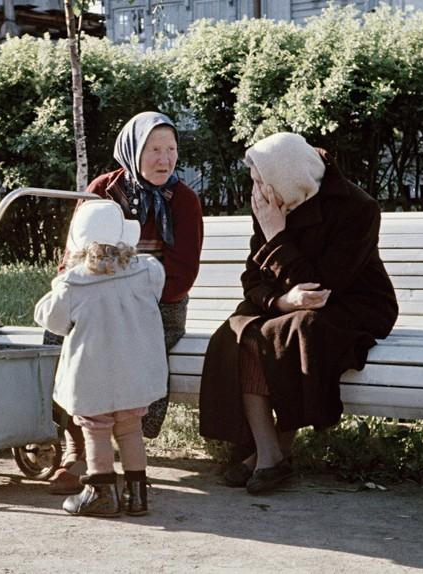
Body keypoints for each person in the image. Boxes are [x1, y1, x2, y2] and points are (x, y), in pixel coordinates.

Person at [198, 132, 399, 494]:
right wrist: (280, 302)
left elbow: (321, 288)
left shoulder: (357, 207)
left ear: (286, 176)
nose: (256, 190)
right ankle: (267, 449)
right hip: (289, 300)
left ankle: (272, 452)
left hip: (354, 303)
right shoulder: (272, 201)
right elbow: (252, 278)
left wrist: (276, 236)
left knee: (290, 331)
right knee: (239, 330)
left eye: (261, 180)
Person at [48, 111, 204, 495]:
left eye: (171, 149)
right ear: (133, 149)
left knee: (128, 350)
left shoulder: (184, 201)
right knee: (61, 347)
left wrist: (129, 299)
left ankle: (121, 449)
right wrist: (82, 291)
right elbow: (74, 253)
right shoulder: (103, 189)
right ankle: (75, 448)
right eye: (154, 149)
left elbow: (181, 274)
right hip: (96, 301)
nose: (164, 159)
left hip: (155, 305)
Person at [35, 200, 168, 516]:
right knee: (130, 428)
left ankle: (102, 492)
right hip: (134, 371)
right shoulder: (147, 271)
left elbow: (53, 321)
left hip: (93, 375)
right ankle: (137, 496)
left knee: (95, 430)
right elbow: (158, 293)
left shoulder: (73, 284)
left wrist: (57, 287)